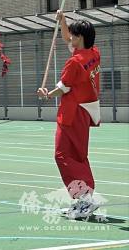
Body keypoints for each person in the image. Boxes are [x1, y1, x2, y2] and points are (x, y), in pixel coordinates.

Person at [37, 11, 101, 219]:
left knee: (62, 155)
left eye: (73, 35)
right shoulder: (94, 54)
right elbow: (67, 38)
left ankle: (84, 199)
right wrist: (63, 21)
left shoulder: (74, 63)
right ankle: (86, 197)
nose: (70, 39)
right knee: (79, 156)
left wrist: (46, 94)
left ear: (80, 38)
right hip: (85, 112)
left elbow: (62, 88)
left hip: (71, 113)